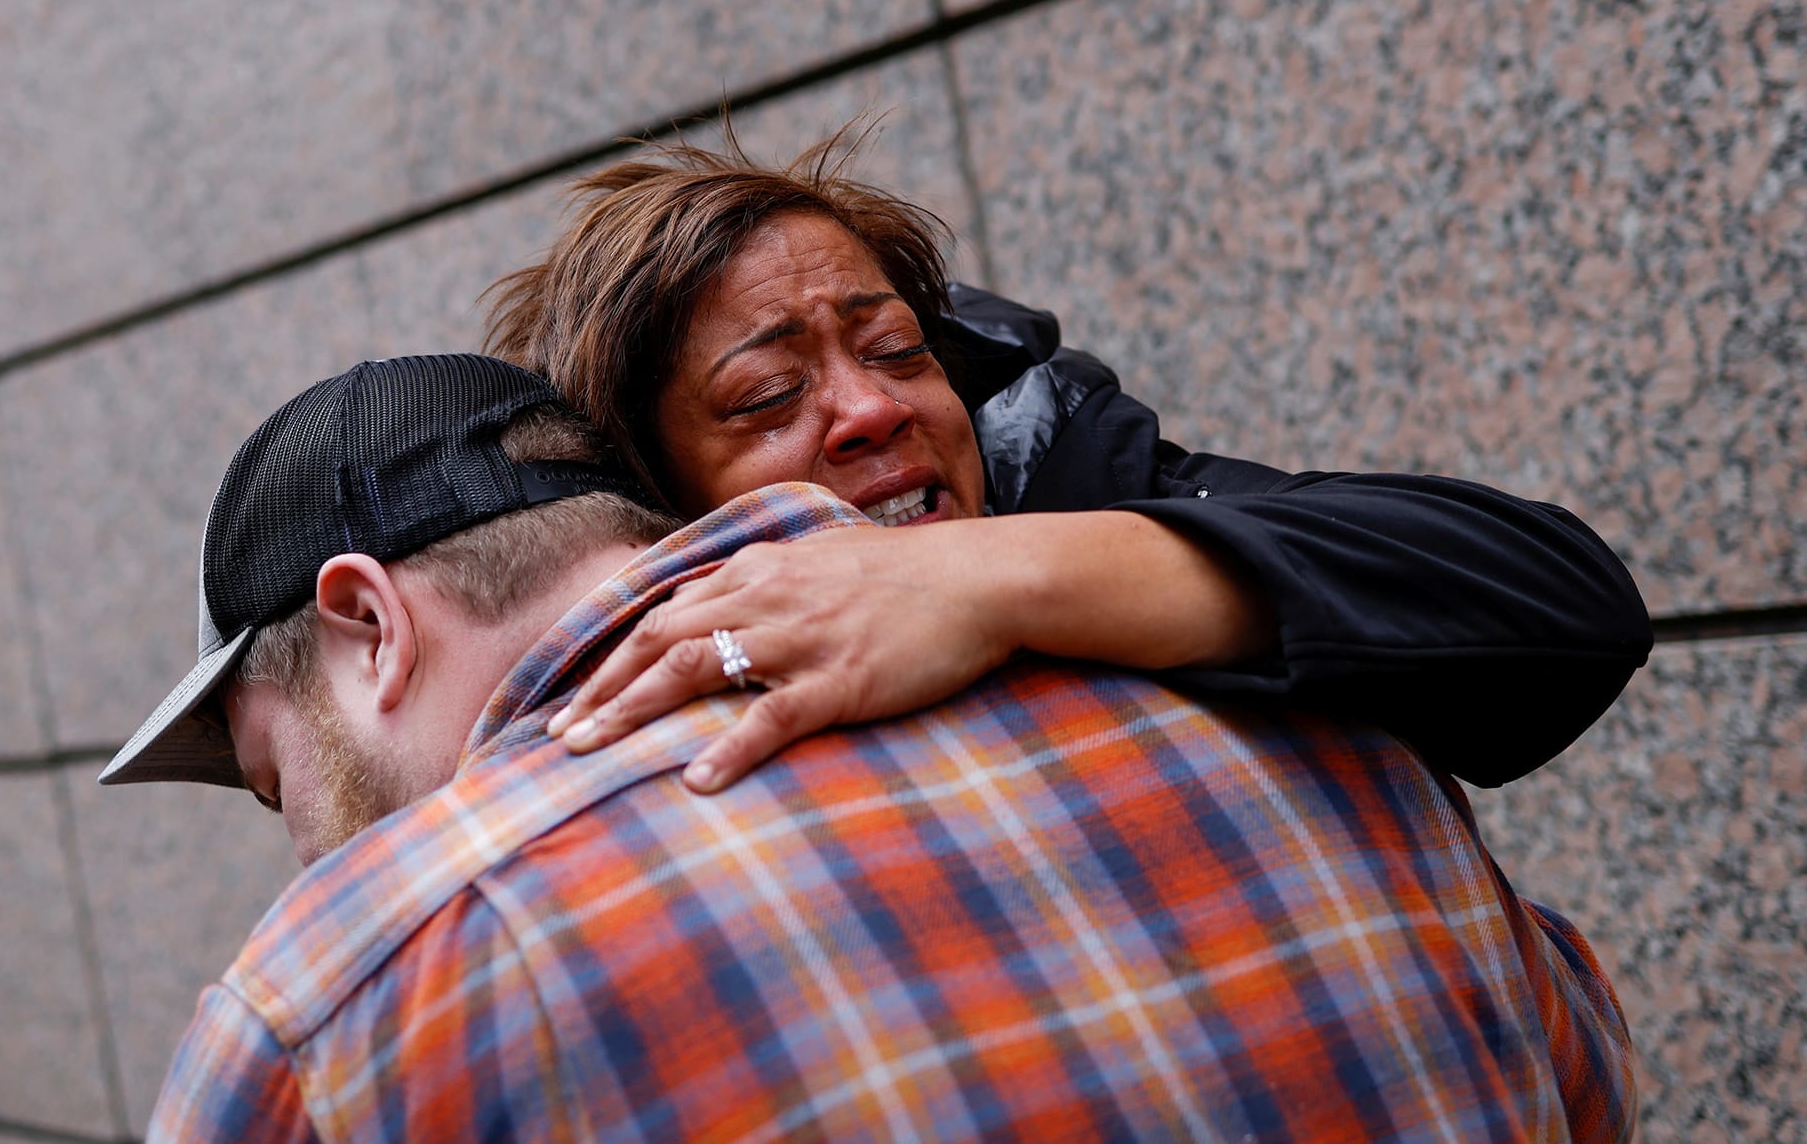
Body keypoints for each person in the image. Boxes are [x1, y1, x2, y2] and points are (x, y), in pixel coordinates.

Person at [105, 353, 1635, 1142]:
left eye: (269, 772)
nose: (299, 834)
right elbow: (1578, 1077)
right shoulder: (1297, 696)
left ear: (369, 621)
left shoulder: (343, 998)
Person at [482, 134, 1653, 792]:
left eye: (895, 348)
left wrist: (998, 577)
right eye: (766, 396)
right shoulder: (620, 749)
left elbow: (1563, 604)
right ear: (651, 497)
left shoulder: (1069, 466)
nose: (868, 408)